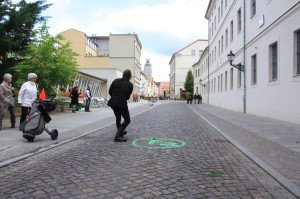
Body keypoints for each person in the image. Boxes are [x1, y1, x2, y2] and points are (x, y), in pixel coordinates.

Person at [108, 70, 133, 142]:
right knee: (127, 120)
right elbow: (127, 97)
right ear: (130, 76)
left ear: (123, 75)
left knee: (118, 118)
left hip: (113, 102)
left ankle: (120, 132)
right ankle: (118, 136)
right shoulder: (130, 85)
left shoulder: (116, 81)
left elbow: (110, 91)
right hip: (121, 103)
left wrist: (115, 96)